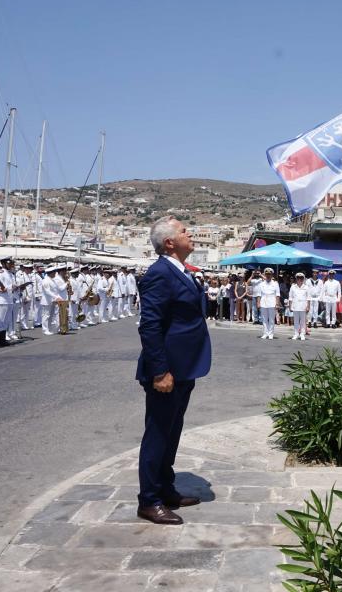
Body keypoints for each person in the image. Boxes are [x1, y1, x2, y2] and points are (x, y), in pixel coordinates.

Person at [135, 216, 210, 525]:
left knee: (171, 432)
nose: (190, 234)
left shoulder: (180, 270)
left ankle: (165, 488)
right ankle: (149, 500)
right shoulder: (159, 273)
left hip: (184, 367)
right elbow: (150, 325)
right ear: (169, 243)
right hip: (167, 371)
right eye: (183, 231)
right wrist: (160, 371)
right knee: (157, 434)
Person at [256, 268, 280, 339]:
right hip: (263, 302)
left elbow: (277, 294)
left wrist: (277, 303)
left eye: (269, 274)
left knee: (271, 319)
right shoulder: (261, 284)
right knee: (264, 319)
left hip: (272, 302)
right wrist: (258, 303)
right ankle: (265, 333)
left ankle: (270, 334)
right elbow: (259, 294)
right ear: (265, 275)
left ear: (272, 275)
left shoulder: (275, 283)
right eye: (267, 274)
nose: (268, 275)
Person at [289, 272, 310, 340]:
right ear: (296, 279)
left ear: (303, 279)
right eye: (298, 278)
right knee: (296, 321)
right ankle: (296, 334)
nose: (299, 279)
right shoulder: (293, 287)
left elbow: (308, 298)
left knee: (303, 321)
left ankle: (302, 334)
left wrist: (308, 306)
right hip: (295, 306)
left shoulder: (306, 287)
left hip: (303, 306)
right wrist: (290, 306)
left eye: (301, 278)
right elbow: (290, 297)